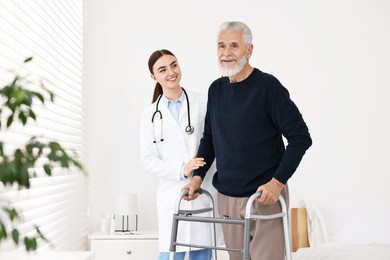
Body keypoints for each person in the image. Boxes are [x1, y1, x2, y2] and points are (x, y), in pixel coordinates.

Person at [183, 21, 312, 260]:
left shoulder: (267, 87)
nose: (226, 53)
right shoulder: (216, 90)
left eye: (234, 46)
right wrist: (197, 178)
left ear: (249, 50)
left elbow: (300, 137)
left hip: (264, 197)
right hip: (228, 198)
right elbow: (209, 140)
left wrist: (277, 183)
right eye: (221, 46)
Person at [140, 49, 222, 260]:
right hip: (171, 196)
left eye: (174, 65)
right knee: (171, 253)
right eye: (163, 69)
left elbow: (215, 142)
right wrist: (181, 169)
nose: (171, 72)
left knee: (202, 252)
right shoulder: (150, 115)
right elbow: (147, 160)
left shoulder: (203, 102)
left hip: (203, 192)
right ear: (153, 77)